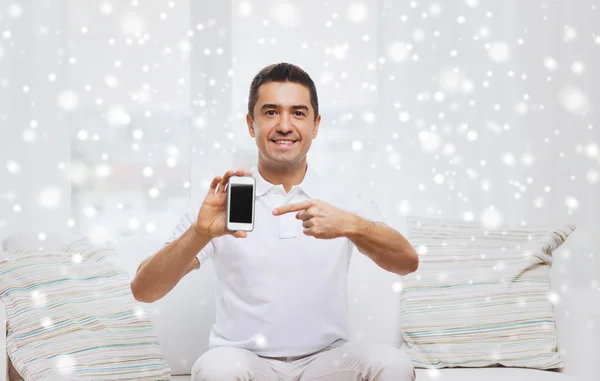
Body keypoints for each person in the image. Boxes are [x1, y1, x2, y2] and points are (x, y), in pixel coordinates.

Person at [131, 63, 419, 381]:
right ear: (251, 124)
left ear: (315, 124)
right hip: (245, 360)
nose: (284, 125)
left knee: (394, 365)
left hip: (327, 361)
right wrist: (200, 233)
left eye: (298, 112)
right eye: (270, 112)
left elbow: (406, 262)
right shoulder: (221, 204)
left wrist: (351, 225)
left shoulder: (344, 199)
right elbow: (144, 289)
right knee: (217, 369)